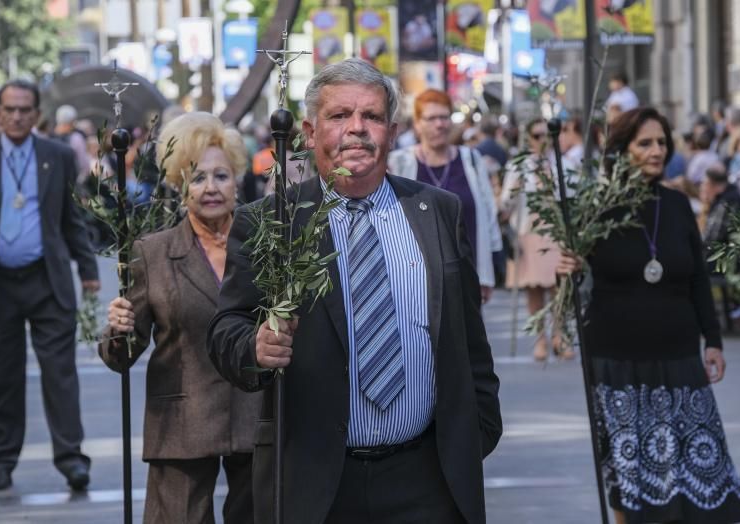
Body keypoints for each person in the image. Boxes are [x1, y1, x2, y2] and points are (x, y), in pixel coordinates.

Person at [208, 58, 502, 524]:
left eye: (371, 116)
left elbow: (470, 337)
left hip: (427, 477)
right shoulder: (271, 222)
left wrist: (477, 431)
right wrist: (256, 347)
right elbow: (227, 328)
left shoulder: (436, 212)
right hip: (316, 480)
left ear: (392, 128)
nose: (357, 129)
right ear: (309, 131)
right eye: (340, 116)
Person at [558, 107, 740, 524]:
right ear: (621, 152)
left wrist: (712, 340)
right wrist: (568, 271)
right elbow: (574, 289)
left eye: (662, 142)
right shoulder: (595, 207)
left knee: (697, 472)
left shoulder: (677, 205)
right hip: (617, 359)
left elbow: (696, 278)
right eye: (645, 143)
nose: (657, 150)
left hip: (678, 356)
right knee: (632, 476)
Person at [100, 112, 259, 523]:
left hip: (254, 414)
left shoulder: (263, 246)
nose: (210, 188)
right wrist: (118, 330)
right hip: (181, 421)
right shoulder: (152, 252)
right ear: (178, 184)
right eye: (197, 177)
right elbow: (123, 354)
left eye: (220, 176)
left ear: (236, 180)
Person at [0, 79, 99, 491]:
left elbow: (72, 217)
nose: (16, 117)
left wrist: (87, 268)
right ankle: (1, 460)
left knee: (60, 373)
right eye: (9, 109)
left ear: (36, 114)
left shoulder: (56, 154)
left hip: (45, 279)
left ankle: (71, 458)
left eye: (24, 110)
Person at [388, 88, 502, 302]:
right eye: (431, 118)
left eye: (444, 117)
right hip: (416, 276)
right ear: (417, 124)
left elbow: (488, 212)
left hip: (467, 272)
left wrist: (488, 271)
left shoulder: (471, 160)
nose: (439, 124)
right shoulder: (400, 162)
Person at [500, 118, 571, 360]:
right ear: (529, 138)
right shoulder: (518, 166)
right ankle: (540, 340)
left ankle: (559, 335)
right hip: (529, 230)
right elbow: (505, 203)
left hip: (555, 231)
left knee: (558, 286)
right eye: (538, 136)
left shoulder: (561, 162)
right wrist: (515, 188)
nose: (543, 141)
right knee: (534, 289)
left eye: (547, 136)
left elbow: (569, 196)